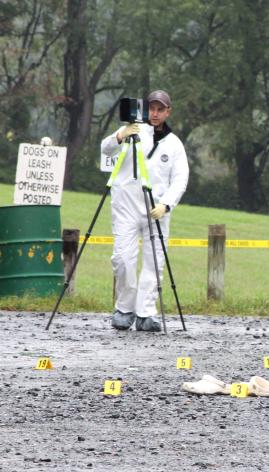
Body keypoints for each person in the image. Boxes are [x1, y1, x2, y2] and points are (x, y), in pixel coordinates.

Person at [100, 89, 189, 332]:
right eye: (152, 108)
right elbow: (105, 149)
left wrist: (166, 204)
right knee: (123, 258)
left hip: (156, 209)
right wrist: (121, 135)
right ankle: (124, 309)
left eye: (161, 109)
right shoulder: (133, 131)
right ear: (145, 108)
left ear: (168, 111)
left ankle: (146, 313)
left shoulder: (174, 144)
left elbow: (180, 180)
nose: (156, 113)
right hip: (126, 204)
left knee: (154, 261)